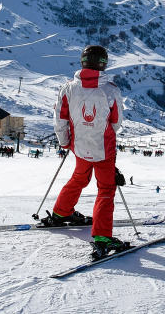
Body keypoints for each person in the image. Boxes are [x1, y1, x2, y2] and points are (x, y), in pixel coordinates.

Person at [41, 45, 127, 259]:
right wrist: (103, 133)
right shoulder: (110, 89)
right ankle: (102, 237)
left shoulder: (68, 88)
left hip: (79, 146)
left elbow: (60, 119)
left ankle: (62, 212)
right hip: (103, 148)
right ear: (103, 64)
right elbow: (116, 121)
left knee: (80, 177)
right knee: (106, 189)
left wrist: (65, 142)